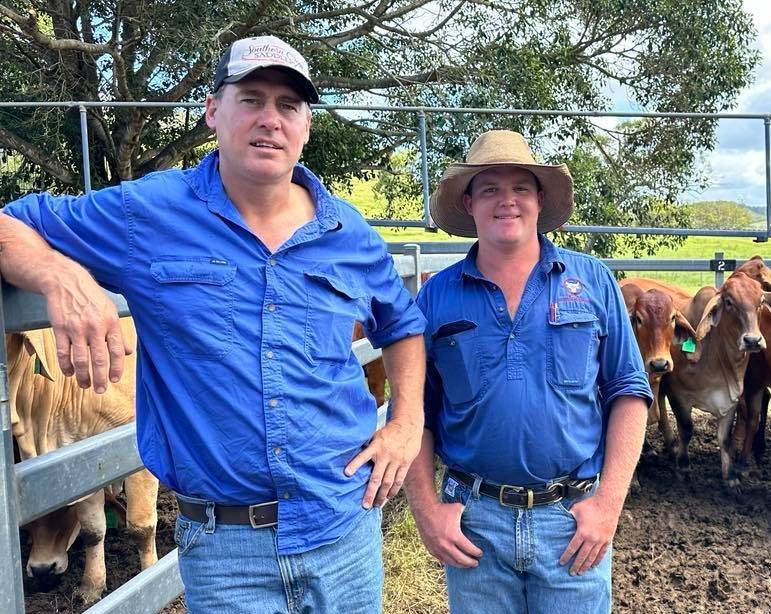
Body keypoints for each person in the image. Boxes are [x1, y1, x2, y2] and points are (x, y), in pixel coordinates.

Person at [0, 35, 425, 612]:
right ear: (212, 112)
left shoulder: (347, 232)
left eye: (289, 106)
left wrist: (405, 424)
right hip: (226, 549)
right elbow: (9, 224)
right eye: (250, 99)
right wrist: (61, 277)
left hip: (344, 528)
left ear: (306, 126)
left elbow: (402, 324)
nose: (270, 120)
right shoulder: (147, 213)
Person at [403, 129, 652, 613]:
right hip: (475, 522)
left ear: (540, 198)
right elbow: (415, 415)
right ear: (469, 202)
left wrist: (608, 506)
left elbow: (629, 392)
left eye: (520, 187)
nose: (507, 201)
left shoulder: (592, 280)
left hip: (571, 519)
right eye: (490, 189)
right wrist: (427, 512)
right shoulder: (436, 296)